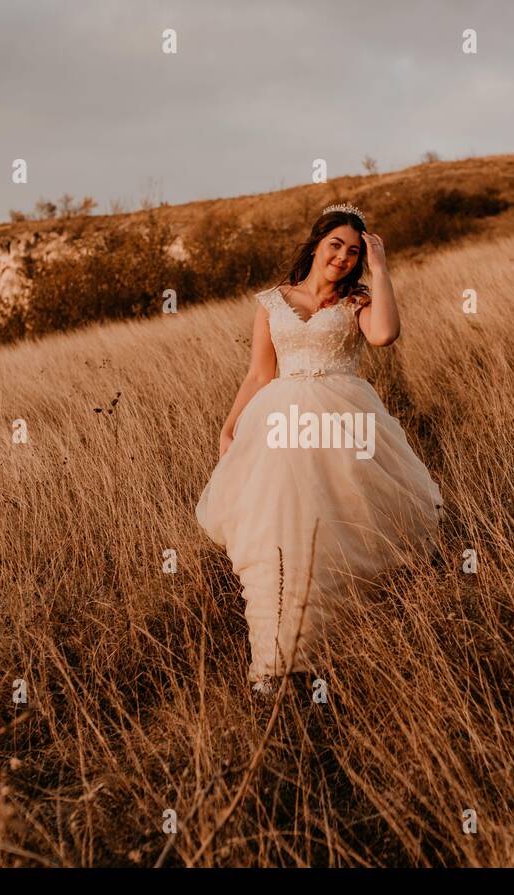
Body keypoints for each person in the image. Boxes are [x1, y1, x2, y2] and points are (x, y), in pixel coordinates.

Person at [196, 203, 443, 697]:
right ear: (316, 245)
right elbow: (260, 374)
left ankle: (333, 652)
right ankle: (275, 664)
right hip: (280, 426)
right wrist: (229, 427)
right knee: (276, 530)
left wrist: (380, 269)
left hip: (343, 422)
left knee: (337, 529)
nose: (343, 257)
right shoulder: (272, 302)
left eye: (354, 251)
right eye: (336, 245)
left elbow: (385, 335)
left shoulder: (358, 302)